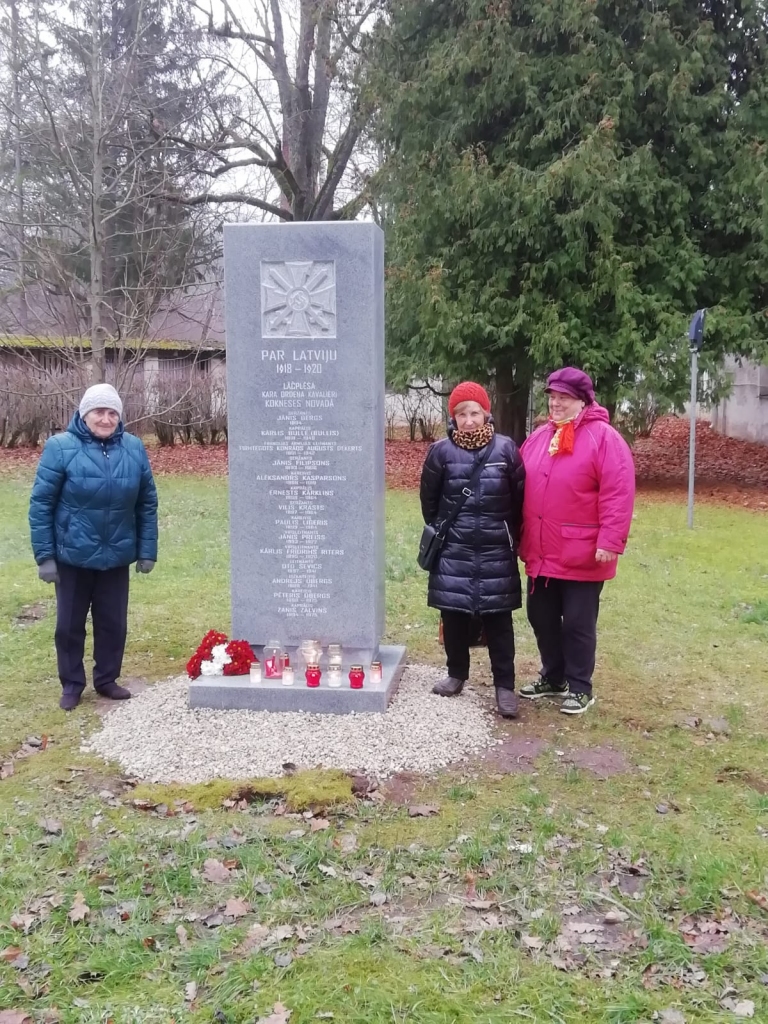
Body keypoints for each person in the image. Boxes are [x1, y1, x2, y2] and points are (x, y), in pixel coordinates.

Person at [29, 383, 158, 711]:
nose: (106, 418)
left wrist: (147, 550)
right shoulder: (60, 447)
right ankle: (72, 684)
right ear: (85, 414)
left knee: (113, 623)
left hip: (116, 555)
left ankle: (106, 679)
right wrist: (45, 556)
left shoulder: (134, 448)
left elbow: (146, 503)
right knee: (69, 625)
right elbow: (41, 504)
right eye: (99, 411)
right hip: (72, 555)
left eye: (112, 412)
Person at [518, 367, 635, 714]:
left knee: (578, 623)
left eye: (563, 398)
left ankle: (581, 686)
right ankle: (554, 677)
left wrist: (610, 540)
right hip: (542, 550)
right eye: (552, 397)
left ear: (582, 401)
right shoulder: (540, 437)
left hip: (582, 553)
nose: (555, 403)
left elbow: (618, 492)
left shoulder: (605, 438)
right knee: (540, 615)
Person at [420, 381, 525, 717]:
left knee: (499, 621)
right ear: (453, 417)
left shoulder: (506, 450)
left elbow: (520, 498)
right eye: (461, 414)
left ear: (486, 414)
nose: (468, 420)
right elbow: (430, 503)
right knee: (453, 615)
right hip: (454, 549)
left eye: (474, 412)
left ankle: (504, 687)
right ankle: (456, 674)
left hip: (496, 548)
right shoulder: (440, 452)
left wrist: (510, 534)